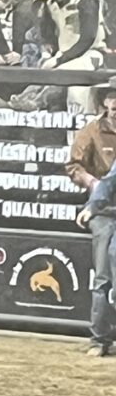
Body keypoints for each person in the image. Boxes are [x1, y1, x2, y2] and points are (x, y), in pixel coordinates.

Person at [67, 78, 116, 356]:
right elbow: (73, 165)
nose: (115, 103)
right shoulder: (91, 131)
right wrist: (91, 183)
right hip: (103, 211)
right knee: (103, 277)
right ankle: (99, 339)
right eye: (111, 98)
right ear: (104, 102)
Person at [37, 0, 108, 110]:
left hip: (91, 54)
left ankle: (39, 100)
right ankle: (27, 98)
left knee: (73, 84)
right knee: (43, 70)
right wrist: (46, 52)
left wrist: (59, 60)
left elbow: (87, 38)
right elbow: (46, 32)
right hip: (64, 55)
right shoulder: (50, 3)